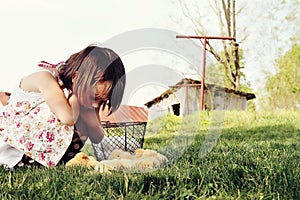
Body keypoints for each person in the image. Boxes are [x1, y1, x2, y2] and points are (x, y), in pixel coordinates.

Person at [0, 44, 126, 168]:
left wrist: (89, 113)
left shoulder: (86, 95)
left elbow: (97, 136)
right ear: (75, 78)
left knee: (82, 115)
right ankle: (28, 162)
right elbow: (67, 118)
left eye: (102, 100)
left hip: (39, 149)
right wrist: (75, 100)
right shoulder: (44, 78)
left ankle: (51, 161)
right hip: (13, 150)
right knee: (74, 110)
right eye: (94, 97)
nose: (95, 104)